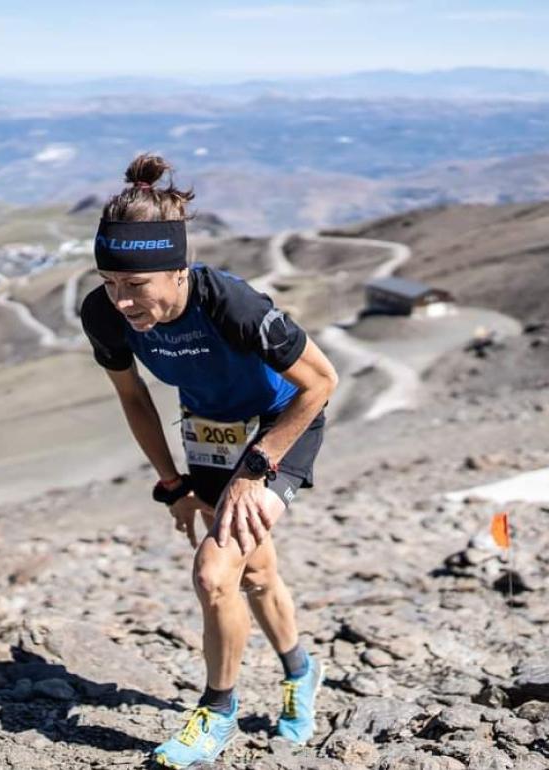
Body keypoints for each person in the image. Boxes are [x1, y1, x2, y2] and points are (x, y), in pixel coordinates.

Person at [80, 154, 339, 768]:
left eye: (136, 285)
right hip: (212, 434)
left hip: (280, 427)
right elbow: (134, 398)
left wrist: (257, 469)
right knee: (254, 573)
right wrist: (173, 484)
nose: (121, 301)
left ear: (177, 270)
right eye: (110, 282)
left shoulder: (232, 304)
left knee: (214, 573)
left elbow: (322, 382)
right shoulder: (103, 315)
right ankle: (302, 674)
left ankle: (216, 713)